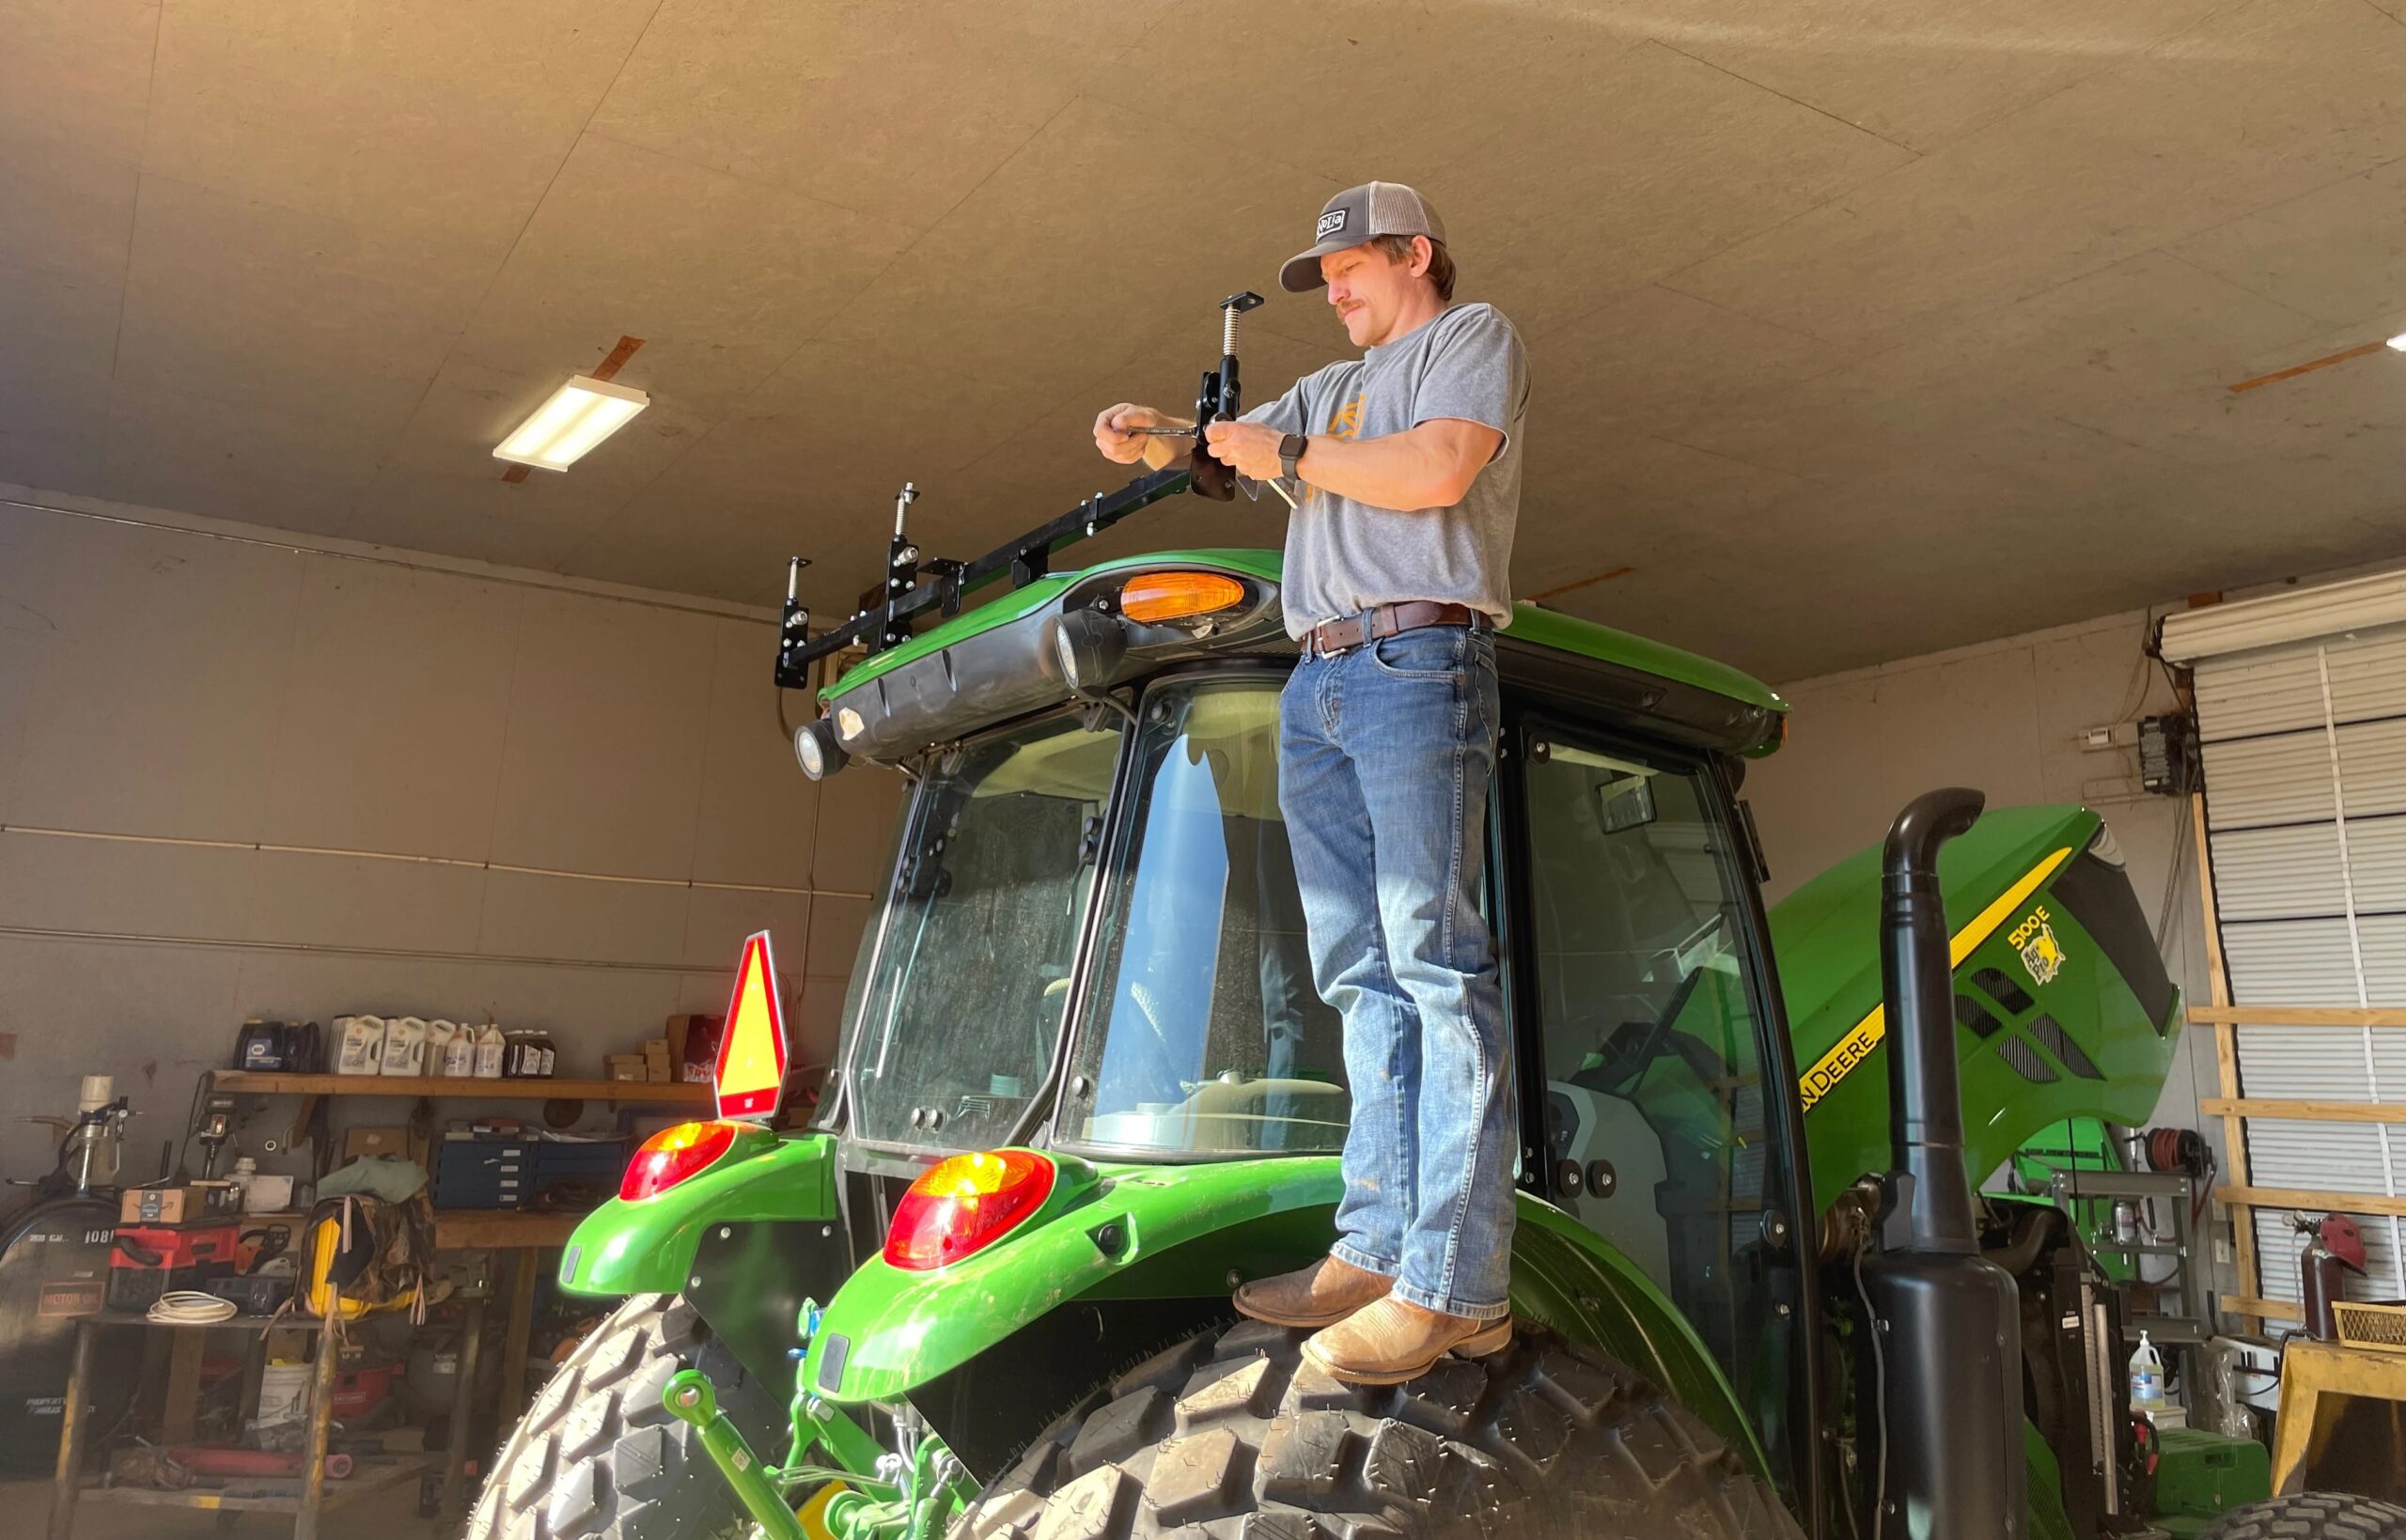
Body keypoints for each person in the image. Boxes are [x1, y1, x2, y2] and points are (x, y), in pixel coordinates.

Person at [1092, 182, 1528, 1385]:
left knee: (1434, 961)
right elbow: (1242, 449)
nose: (1330, 289)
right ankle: (1377, 1246)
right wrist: (1166, 439)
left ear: (1416, 254)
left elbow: (1436, 471)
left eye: (1347, 267)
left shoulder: (1468, 338)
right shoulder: (1326, 392)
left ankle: (1456, 1282)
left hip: (1418, 655)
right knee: (1357, 971)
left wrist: (1279, 449)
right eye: (1321, 275)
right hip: (1323, 674)